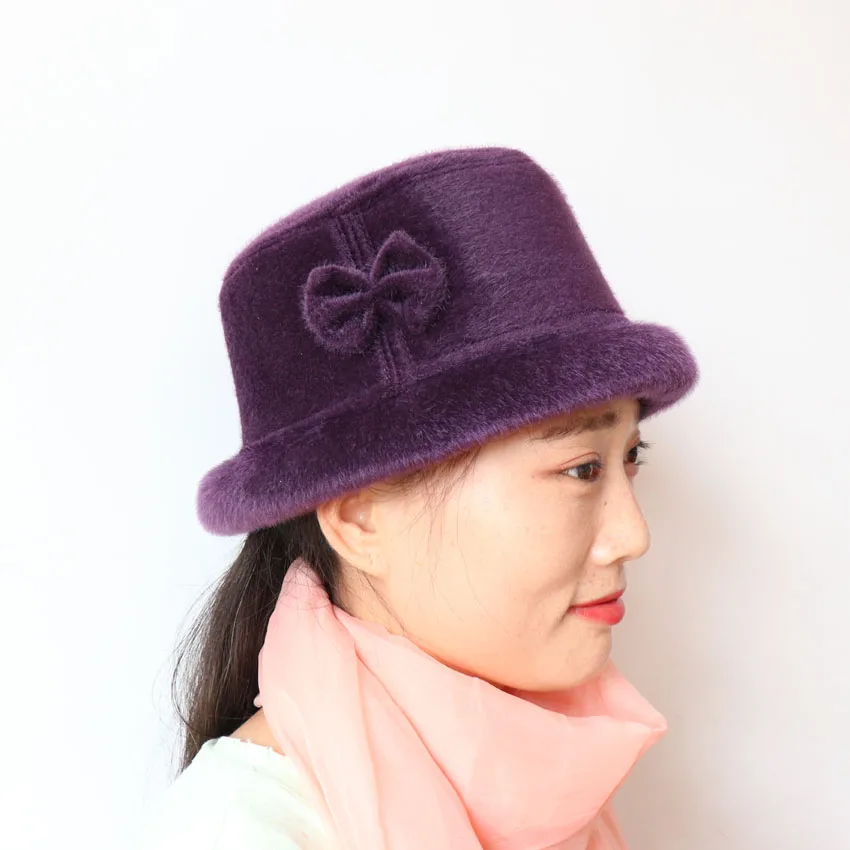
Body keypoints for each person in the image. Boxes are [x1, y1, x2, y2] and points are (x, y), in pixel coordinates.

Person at [138, 146, 699, 850]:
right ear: (361, 516)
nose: (633, 535)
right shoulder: (242, 833)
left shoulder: (542, 782)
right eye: (582, 469)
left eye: (630, 458)